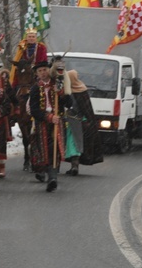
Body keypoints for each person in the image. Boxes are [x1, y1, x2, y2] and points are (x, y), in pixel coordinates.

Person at [28, 60, 73, 192]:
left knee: (56, 149)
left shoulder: (57, 84)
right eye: (40, 71)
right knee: (45, 150)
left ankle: (53, 177)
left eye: (45, 70)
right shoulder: (35, 88)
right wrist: (48, 117)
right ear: (37, 74)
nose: (43, 73)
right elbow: (34, 109)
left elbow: (69, 103)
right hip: (42, 122)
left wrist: (61, 93)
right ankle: (48, 174)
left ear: (49, 70)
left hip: (57, 122)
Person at [64, 69, 104, 175]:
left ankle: (74, 165)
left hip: (77, 122)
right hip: (78, 122)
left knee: (74, 144)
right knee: (75, 144)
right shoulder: (80, 89)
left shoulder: (76, 91)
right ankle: (73, 165)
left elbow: (83, 108)